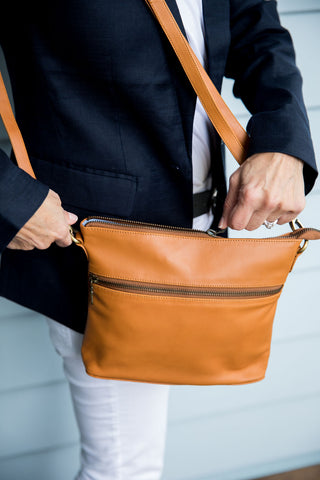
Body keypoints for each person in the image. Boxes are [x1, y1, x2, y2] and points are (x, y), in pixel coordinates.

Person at [0, 1, 318, 479]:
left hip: (200, 227)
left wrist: (284, 141)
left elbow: (256, 28)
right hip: (95, 246)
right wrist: (9, 198)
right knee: (125, 469)